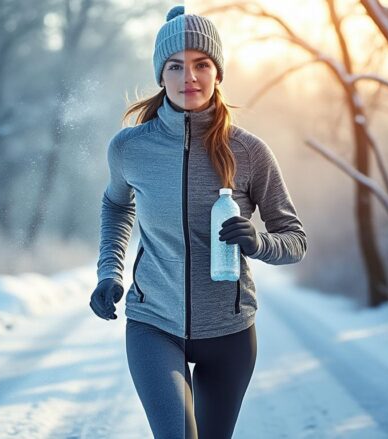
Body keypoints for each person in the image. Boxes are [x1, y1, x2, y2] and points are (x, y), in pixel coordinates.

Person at [89, 5, 307, 439]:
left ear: (217, 73)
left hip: (229, 333)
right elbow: (116, 206)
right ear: (161, 75)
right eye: (176, 66)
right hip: (154, 324)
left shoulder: (249, 152)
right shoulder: (131, 148)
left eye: (201, 64)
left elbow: (295, 240)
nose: (189, 76)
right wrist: (109, 272)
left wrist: (258, 242)